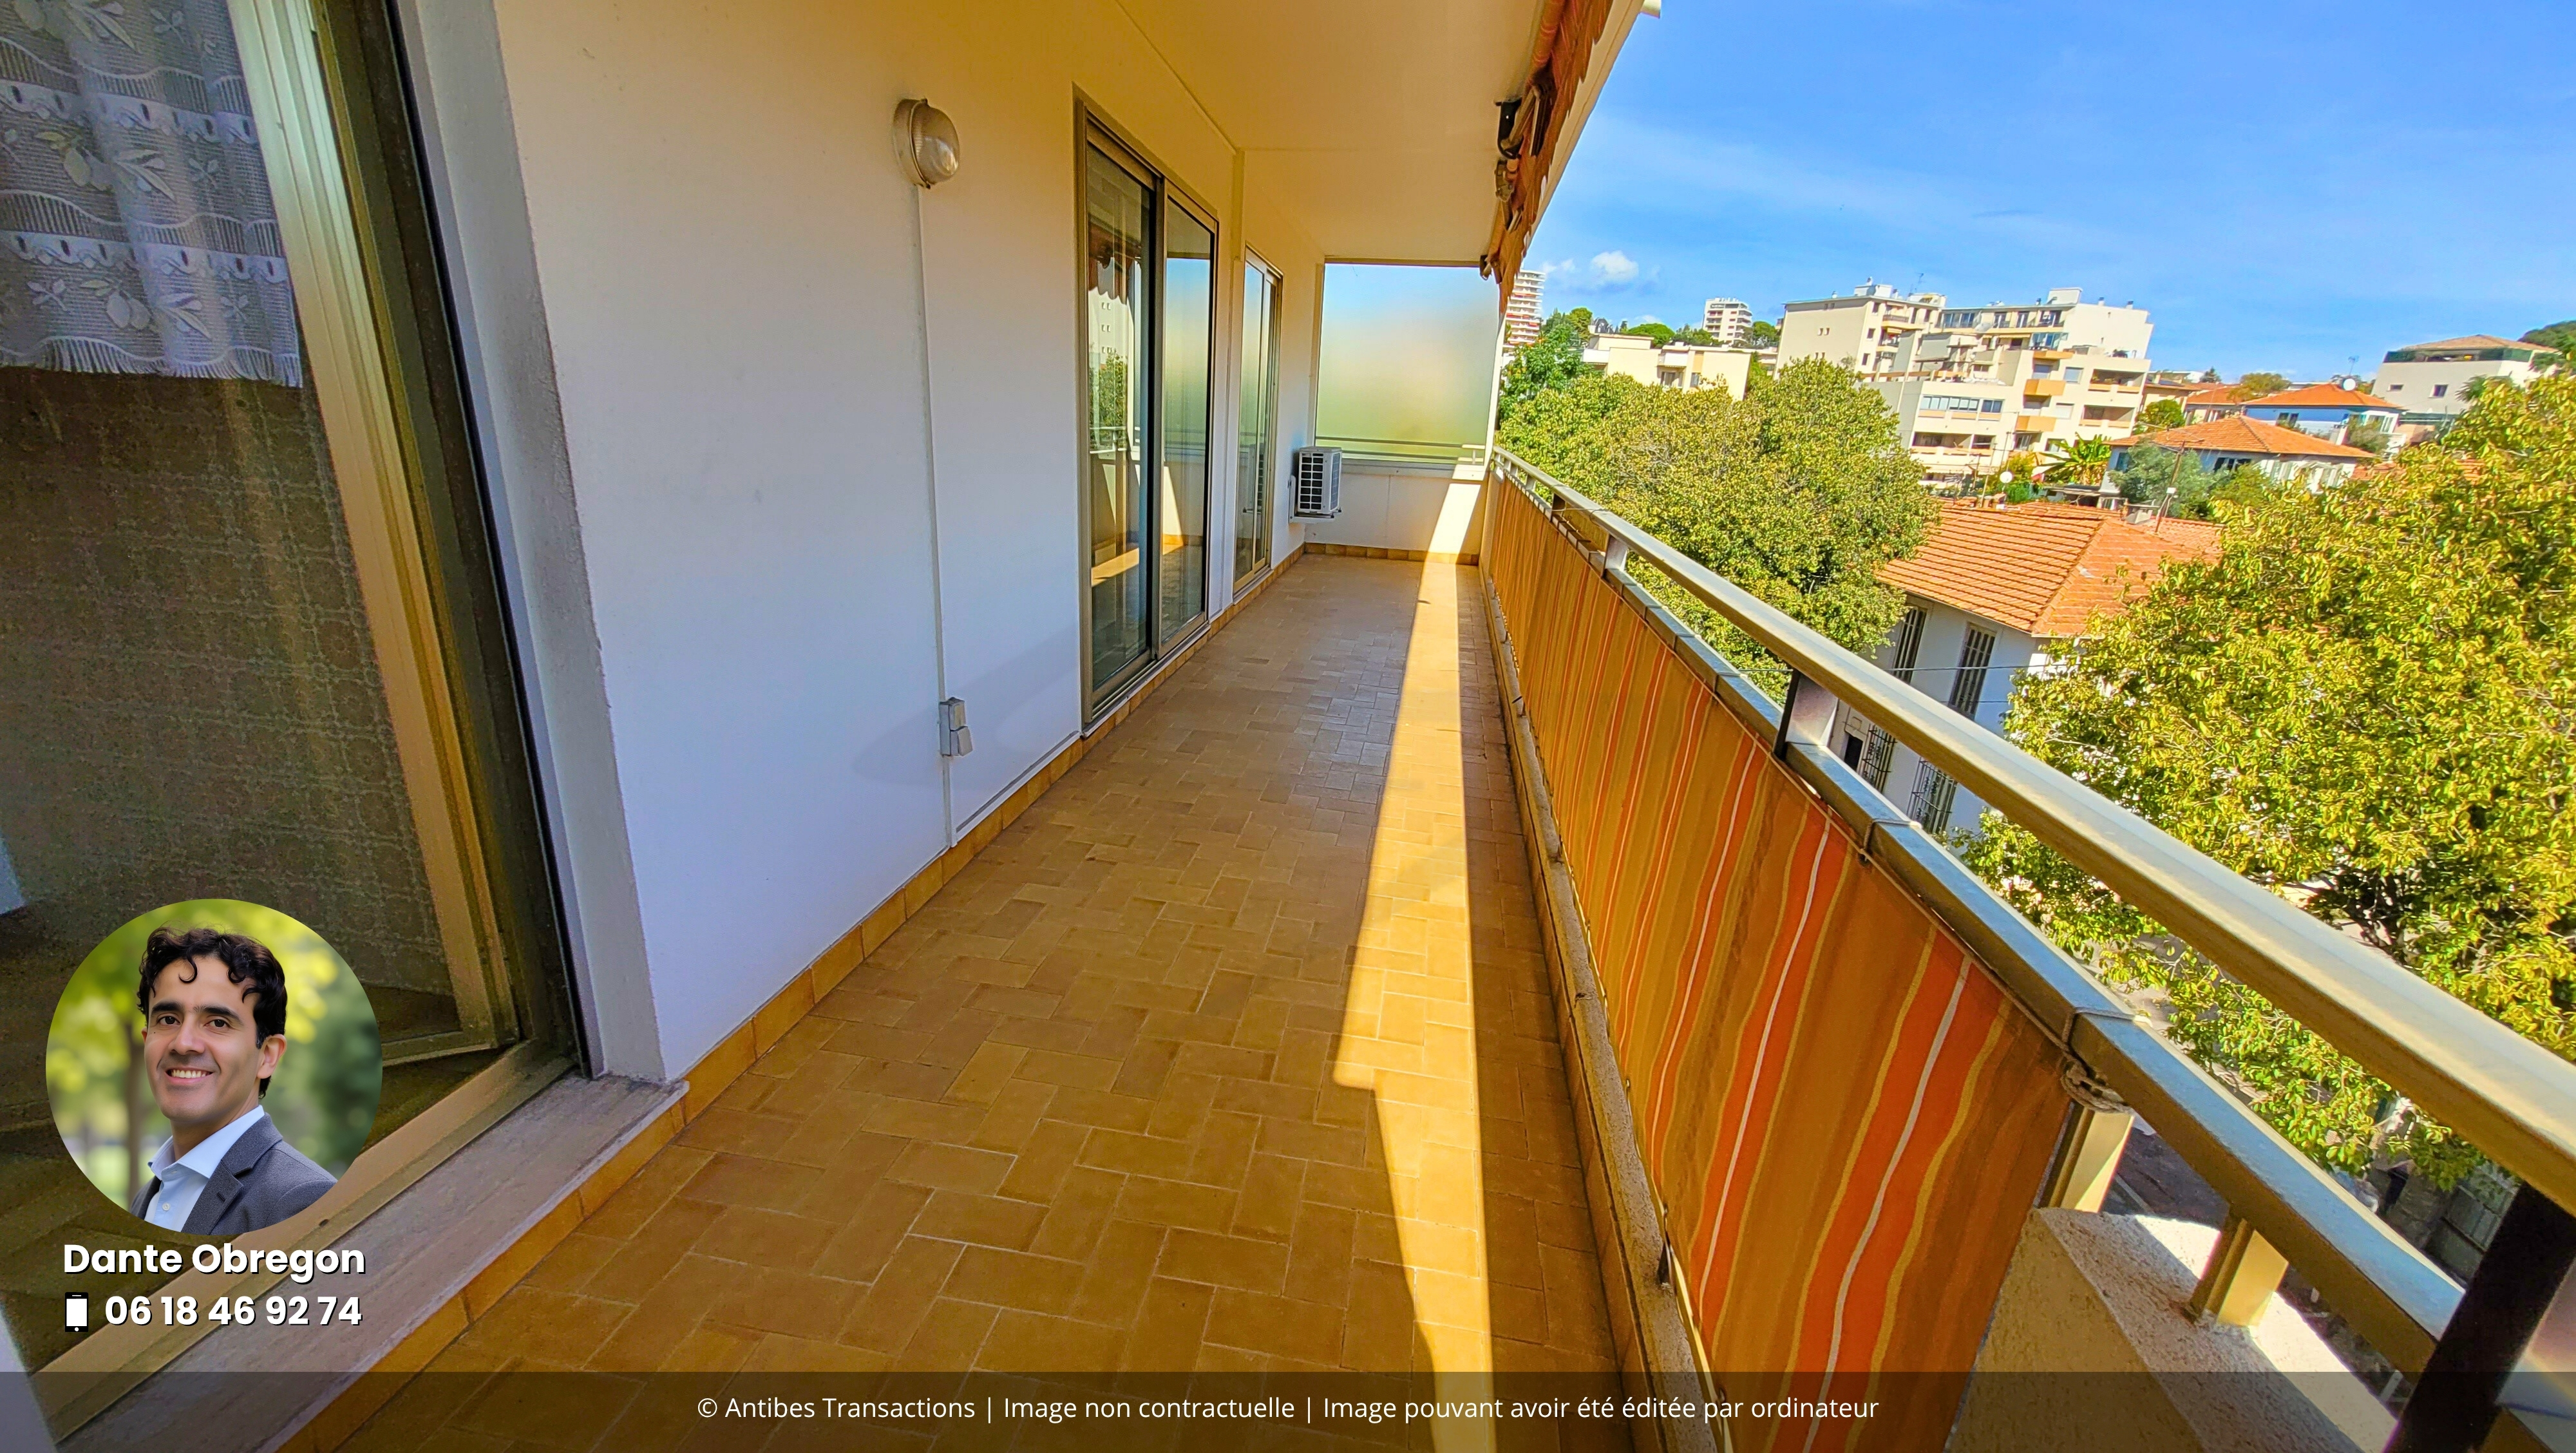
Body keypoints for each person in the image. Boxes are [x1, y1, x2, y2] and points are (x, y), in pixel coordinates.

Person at [128, 927, 335, 1233]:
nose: (183, 1043)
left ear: (267, 1056)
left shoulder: (302, 1199)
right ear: (147, 1041)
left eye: (218, 1023)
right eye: (168, 1020)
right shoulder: (148, 1197)